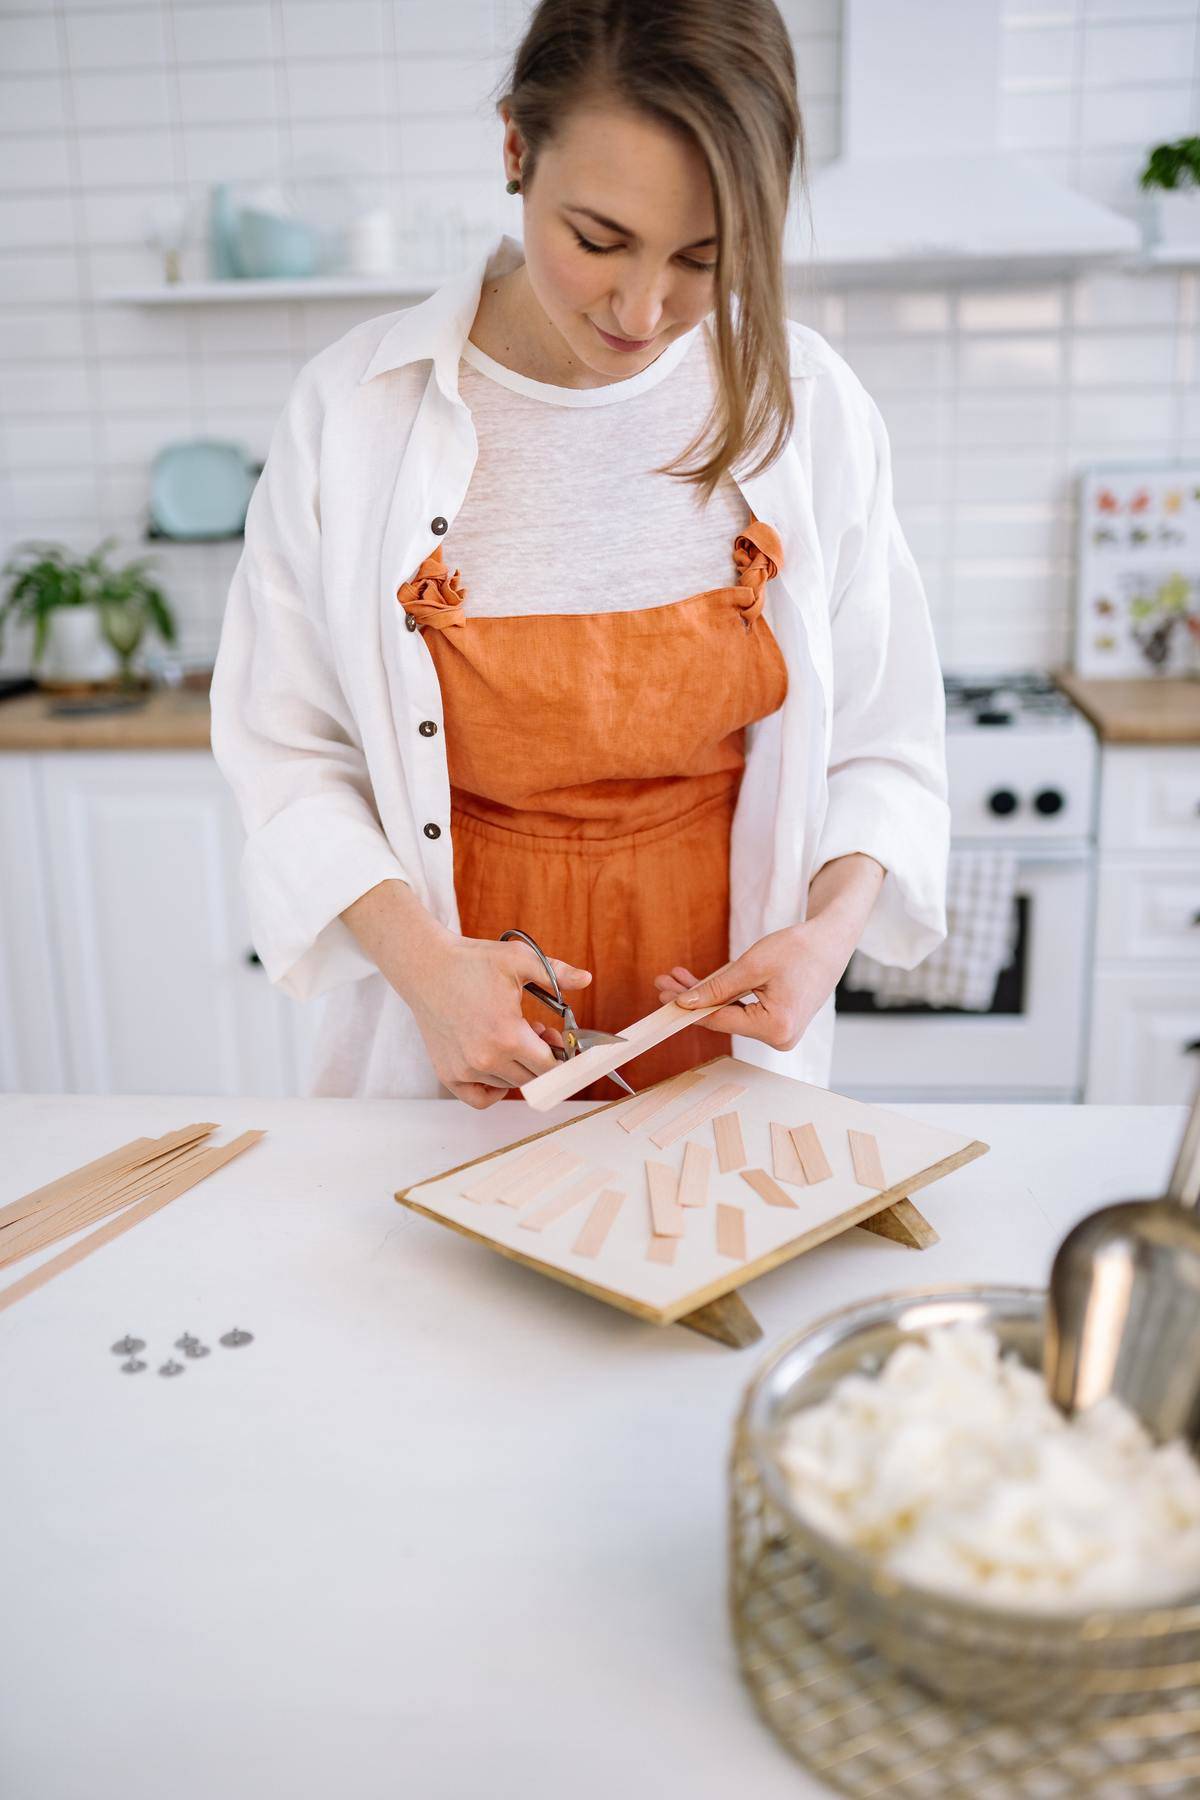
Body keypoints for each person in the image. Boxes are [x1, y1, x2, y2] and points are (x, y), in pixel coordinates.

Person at [211, 0, 949, 1109]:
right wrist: (426, 973)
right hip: (446, 1036)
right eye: (598, 240)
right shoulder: (355, 411)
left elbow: (882, 747)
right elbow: (288, 754)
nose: (642, 311)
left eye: (704, 257)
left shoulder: (812, 411)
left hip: (721, 1020)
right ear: (515, 149)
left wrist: (829, 937)